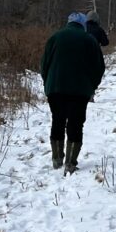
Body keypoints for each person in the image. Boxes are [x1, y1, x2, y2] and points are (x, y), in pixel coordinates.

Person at [40, 12, 105, 174]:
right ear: (83, 24)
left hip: (55, 89)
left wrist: (48, 83)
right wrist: (92, 87)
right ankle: (70, 162)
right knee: (76, 124)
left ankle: (56, 159)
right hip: (80, 90)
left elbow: (44, 64)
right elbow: (99, 68)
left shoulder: (55, 37)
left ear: (68, 23)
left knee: (57, 121)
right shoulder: (89, 40)